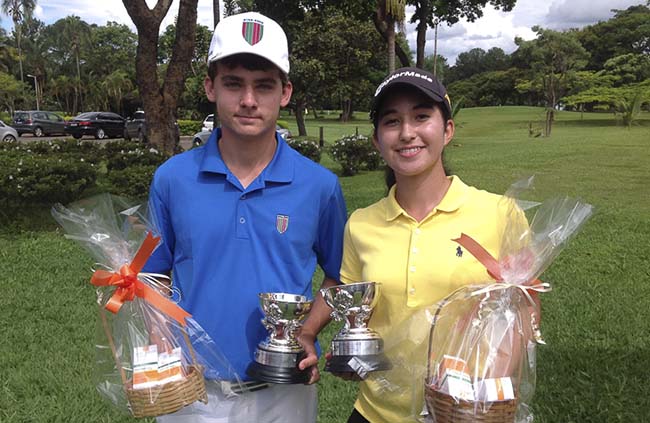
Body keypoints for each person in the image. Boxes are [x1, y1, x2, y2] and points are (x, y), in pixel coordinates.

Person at [143, 11, 347, 423]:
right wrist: (159, 341)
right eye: (234, 83)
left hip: (283, 392)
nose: (249, 100)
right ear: (210, 87)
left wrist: (306, 333)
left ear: (285, 93)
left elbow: (338, 275)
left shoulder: (319, 186)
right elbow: (153, 277)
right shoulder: (172, 179)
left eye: (264, 86)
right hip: (192, 393)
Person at [334, 68, 527, 423]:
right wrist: (352, 357)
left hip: (464, 412)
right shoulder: (360, 224)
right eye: (392, 121)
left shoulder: (500, 213)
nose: (407, 133)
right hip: (375, 413)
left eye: (422, 116)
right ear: (377, 141)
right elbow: (357, 319)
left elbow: (524, 312)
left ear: (447, 130)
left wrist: (481, 397)